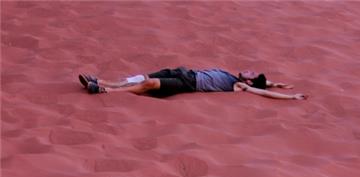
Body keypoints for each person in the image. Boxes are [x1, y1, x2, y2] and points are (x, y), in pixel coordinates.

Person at [78, 67, 306, 100]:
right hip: (184, 71)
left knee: (151, 84)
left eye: (252, 73)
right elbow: (267, 85)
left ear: (249, 80)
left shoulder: (240, 86)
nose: (250, 69)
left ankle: (103, 90)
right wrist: (278, 84)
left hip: (187, 83)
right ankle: (101, 81)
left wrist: (290, 97)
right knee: (144, 77)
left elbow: (261, 91)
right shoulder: (235, 77)